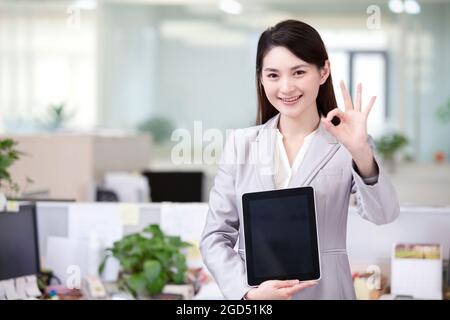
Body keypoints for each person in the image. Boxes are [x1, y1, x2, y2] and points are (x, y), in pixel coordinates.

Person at [200, 19, 399, 300]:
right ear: (260, 78)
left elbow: (384, 214)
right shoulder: (240, 144)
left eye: (298, 72)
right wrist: (246, 293)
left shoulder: (347, 143)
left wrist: (360, 151)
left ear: (323, 71)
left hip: (328, 292)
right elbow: (214, 237)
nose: (286, 87)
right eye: (273, 75)